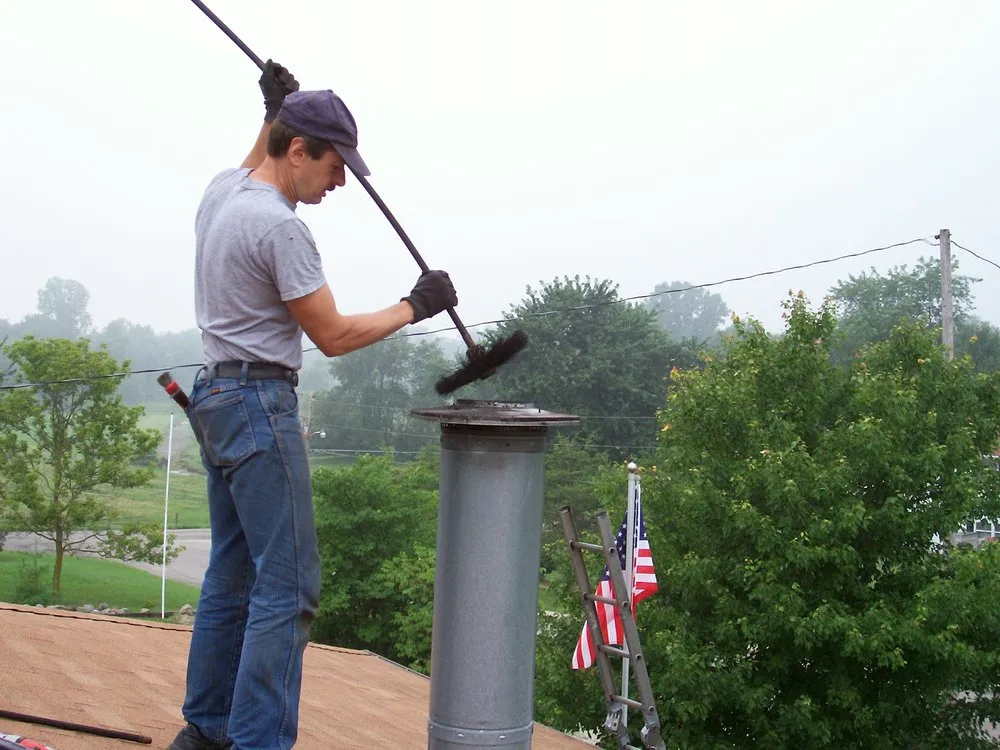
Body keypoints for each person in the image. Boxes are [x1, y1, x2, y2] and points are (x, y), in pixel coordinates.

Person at [169, 61, 458, 750]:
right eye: (335, 167)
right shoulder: (280, 228)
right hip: (258, 406)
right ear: (298, 150)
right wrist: (414, 306)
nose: (340, 183)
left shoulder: (222, 195)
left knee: (233, 570)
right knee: (289, 585)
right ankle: (259, 742)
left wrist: (272, 110)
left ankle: (206, 731)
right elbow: (332, 336)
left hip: (215, 396)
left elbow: (254, 159)